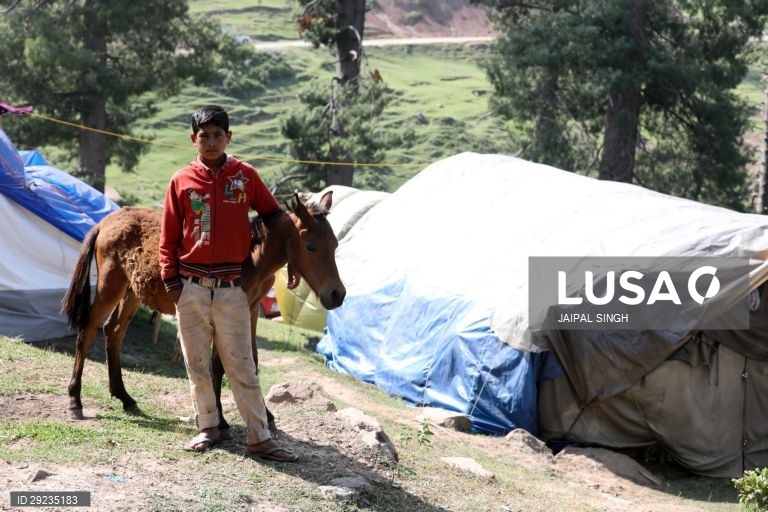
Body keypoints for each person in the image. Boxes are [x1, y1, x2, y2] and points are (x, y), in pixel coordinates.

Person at [159, 105, 297, 462]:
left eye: (217, 135)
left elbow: (274, 216)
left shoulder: (245, 176)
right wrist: (172, 283)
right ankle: (208, 427)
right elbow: (168, 236)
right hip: (189, 287)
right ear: (193, 139)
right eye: (203, 136)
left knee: (242, 364)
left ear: (228, 138)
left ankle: (259, 437)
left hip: (231, 289)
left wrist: (293, 257)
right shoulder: (181, 180)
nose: (210, 142)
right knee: (197, 363)